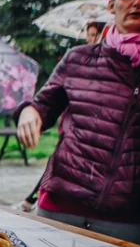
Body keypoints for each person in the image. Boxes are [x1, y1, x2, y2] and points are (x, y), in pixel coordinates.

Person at [16, 0, 140, 244]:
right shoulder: (78, 58)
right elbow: (45, 104)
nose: (139, 1)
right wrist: (30, 111)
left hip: (128, 216)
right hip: (60, 204)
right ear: (111, 5)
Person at [18, 18, 108, 212]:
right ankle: (31, 199)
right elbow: (50, 98)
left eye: (97, 34)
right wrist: (31, 111)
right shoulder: (78, 59)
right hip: (69, 130)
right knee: (57, 165)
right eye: (90, 34)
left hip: (95, 142)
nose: (92, 38)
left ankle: (29, 200)